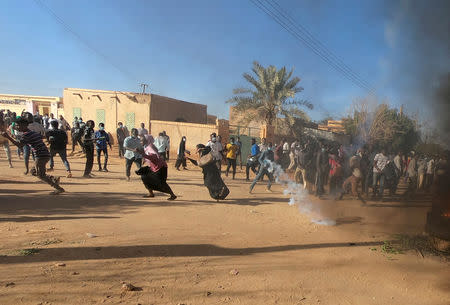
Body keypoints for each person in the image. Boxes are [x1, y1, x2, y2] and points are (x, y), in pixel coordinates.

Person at [1, 118, 64, 194]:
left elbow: (19, 145)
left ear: (24, 125)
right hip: (44, 154)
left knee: (40, 175)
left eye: (18, 125)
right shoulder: (31, 133)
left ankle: (58, 188)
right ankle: (53, 178)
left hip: (40, 155)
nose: (17, 127)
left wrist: (8, 137)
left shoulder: (26, 135)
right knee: (33, 171)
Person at [137, 135, 177, 200]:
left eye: (142, 140)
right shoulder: (146, 147)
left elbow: (154, 156)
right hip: (154, 167)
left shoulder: (150, 147)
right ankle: (151, 193)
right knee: (144, 176)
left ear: (146, 140)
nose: (140, 142)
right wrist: (143, 158)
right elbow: (148, 156)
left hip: (161, 167)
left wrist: (142, 154)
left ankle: (172, 195)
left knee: (161, 182)